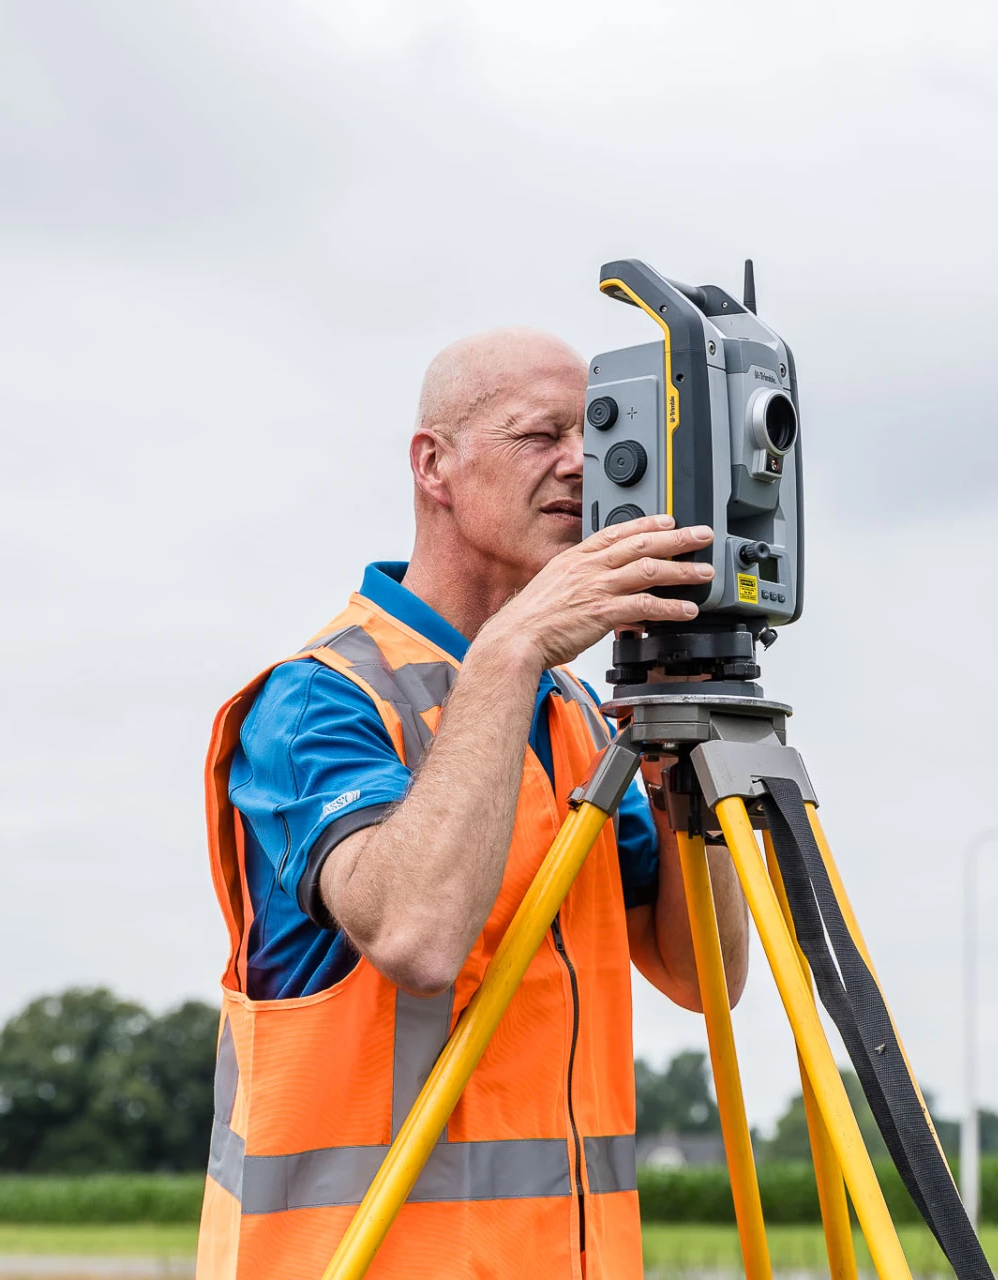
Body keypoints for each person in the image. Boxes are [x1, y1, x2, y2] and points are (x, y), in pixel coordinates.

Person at [196, 328, 751, 1279]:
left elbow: (706, 977)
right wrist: (509, 650)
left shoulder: (575, 715)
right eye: (540, 434)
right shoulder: (319, 700)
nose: (582, 462)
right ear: (433, 465)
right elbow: (414, 938)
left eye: (596, 432)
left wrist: (685, 756)